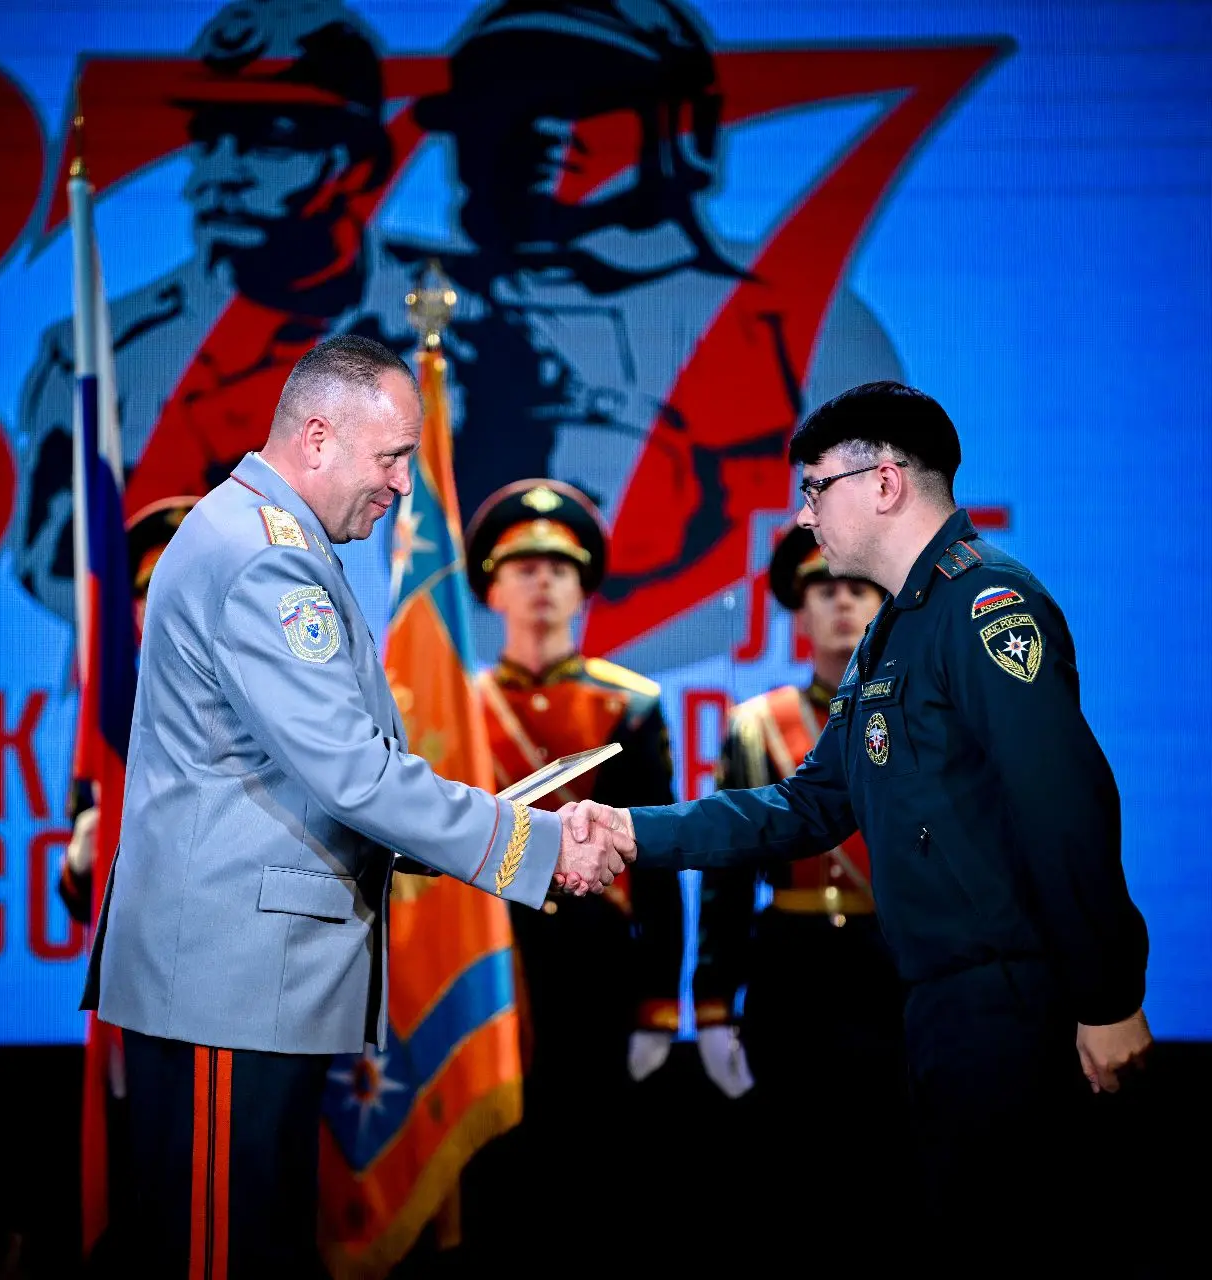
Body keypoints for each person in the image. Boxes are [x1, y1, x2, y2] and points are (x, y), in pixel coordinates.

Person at [82, 334, 634, 1277]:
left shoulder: (271, 537)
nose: (401, 485)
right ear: (317, 436)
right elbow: (354, 775)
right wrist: (532, 846)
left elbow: (325, 776)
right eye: (391, 457)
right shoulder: (266, 557)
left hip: (245, 988)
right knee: (219, 1259)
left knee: (253, 1249)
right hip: (227, 988)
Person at [565, 382, 1152, 1259]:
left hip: (1012, 1002)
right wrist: (631, 831)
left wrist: (1108, 998)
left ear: (884, 482)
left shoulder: (987, 606)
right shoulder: (891, 635)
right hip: (939, 1004)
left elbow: (1064, 806)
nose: (804, 515)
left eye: (815, 488)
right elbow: (806, 806)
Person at [355, 0, 904, 669]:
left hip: (728, 685)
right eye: (505, 104)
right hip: (460, 693)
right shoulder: (401, 310)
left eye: (587, 100)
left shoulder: (800, 319)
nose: (541, 130)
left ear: (686, 129)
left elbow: (872, 537)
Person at [14, 0, 395, 624]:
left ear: (355, 163)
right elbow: (55, 564)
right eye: (209, 142)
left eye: (266, 144)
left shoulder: (456, 330)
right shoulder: (103, 353)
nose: (215, 177)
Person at [455, 479, 740, 1267]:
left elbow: (655, 862)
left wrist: (659, 1002)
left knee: (591, 1168)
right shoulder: (457, 706)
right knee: (491, 1169)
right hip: (487, 963)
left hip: (593, 964)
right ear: (491, 590)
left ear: (583, 589)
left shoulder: (629, 706)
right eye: (524, 569)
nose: (542, 583)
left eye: (560, 569)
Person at [708, 524, 910, 1262]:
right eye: (824, 591)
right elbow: (729, 877)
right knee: (791, 1171)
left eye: (858, 589)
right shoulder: (758, 725)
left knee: (891, 1167)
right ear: (800, 610)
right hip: (790, 974)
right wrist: (711, 1004)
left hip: (893, 970)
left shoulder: (917, 718)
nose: (842, 603)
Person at [57, 494, 200, 924]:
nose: (174, 605)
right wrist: (80, 863)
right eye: (154, 590)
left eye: (193, 587)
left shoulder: (267, 699)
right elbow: (83, 902)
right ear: (134, 610)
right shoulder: (113, 719)